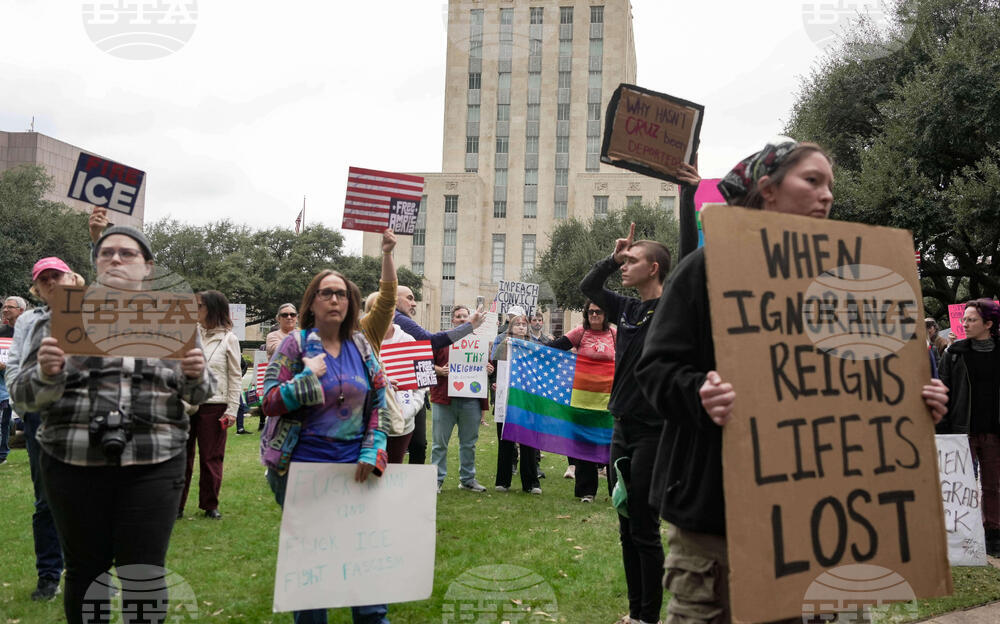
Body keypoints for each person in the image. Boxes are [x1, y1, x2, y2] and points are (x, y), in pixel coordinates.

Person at [636, 138, 949, 624]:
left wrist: (915, 399)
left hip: (828, 521)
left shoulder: (853, 284)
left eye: (831, 185)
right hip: (719, 518)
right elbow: (655, 371)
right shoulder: (706, 269)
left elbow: (866, 382)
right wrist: (699, 393)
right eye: (812, 181)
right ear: (768, 190)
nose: (827, 196)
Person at [10, 225, 215, 624]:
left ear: (148, 267)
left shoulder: (172, 319)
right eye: (107, 253)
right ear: (95, 264)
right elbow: (22, 396)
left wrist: (194, 374)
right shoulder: (56, 319)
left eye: (128, 253)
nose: (116, 259)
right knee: (86, 572)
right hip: (72, 463)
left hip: (154, 463)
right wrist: (47, 374)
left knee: (144, 573)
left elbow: (200, 393)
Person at [261, 228, 397, 624]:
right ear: (313, 302)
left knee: (363, 556)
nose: (334, 299)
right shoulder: (296, 345)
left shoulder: (361, 346)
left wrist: (374, 450)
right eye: (326, 293)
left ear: (350, 302)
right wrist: (304, 382)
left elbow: (378, 405)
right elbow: (266, 402)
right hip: (302, 470)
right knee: (312, 564)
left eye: (341, 293)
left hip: (356, 467)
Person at [580, 178, 687, 624]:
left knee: (643, 527)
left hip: (655, 430)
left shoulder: (671, 308)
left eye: (633, 261)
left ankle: (648, 617)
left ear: (656, 269)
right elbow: (590, 285)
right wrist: (613, 254)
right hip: (620, 425)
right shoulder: (626, 308)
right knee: (625, 524)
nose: (625, 267)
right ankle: (636, 613)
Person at [5, 258, 83, 601]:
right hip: (42, 417)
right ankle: (49, 576)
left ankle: (85, 572)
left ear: (70, 279)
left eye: (57, 275)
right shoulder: (27, 320)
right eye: (43, 279)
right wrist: (24, 407)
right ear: (36, 288)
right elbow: (15, 365)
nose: (51, 282)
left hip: (82, 415)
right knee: (46, 500)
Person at [394, 285, 485, 466]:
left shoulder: (403, 321)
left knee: (418, 444)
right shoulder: (397, 318)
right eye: (410, 298)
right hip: (406, 392)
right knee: (403, 443)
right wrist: (469, 326)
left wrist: (422, 391)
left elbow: (420, 355)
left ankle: (417, 487)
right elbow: (431, 342)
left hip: (417, 392)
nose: (414, 303)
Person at [938, 299, 1000, 556]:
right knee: (960, 487)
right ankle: (962, 536)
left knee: (993, 485)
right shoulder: (954, 353)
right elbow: (943, 392)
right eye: (964, 319)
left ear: (988, 324)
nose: (965, 324)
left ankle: (994, 534)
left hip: (994, 431)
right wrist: (942, 430)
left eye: (972, 319)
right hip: (961, 430)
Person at [178, 290, 241, 520]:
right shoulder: (187, 334)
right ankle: (176, 506)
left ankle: (209, 505)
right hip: (186, 404)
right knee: (181, 457)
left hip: (215, 405)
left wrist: (232, 409)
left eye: (200, 305)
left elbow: (235, 376)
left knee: (210, 458)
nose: (195, 310)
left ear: (212, 309)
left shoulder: (229, 339)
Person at [550, 300, 616, 502]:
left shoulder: (615, 335)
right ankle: (586, 491)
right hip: (582, 401)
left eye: (598, 312)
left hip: (608, 401)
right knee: (584, 445)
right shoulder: (580, 333)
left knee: (612, 446)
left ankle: (617, 492)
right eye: (590, 312)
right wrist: (523, 346)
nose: (594, 315)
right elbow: (554, 347)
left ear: (606, 314)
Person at [429, 304, 490, 493]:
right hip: (444, 399)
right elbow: (424, 364)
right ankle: (436, 481)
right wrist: (440, 370)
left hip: (470, 400)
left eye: (466, 316)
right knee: (440, 443)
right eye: (458, 316)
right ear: (453, 320)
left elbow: (482, 370)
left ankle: (467, 479)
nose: (462, 319)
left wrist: (488, 369)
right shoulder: (441, 340)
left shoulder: (478, 343)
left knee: (469, 443)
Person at [364, 291, 427, 464]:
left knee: (393, 466)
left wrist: (414, 406)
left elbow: (424, 378)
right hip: (369, 421)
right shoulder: (361, 341)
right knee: (371, 468)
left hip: (402, 422)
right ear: (369, 312)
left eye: (389, 308)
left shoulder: (409, 340)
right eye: (378, 309)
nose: (385, 313)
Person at [491, 314, 542, 494]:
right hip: (505, 399)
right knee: (505, 439)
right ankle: (503, 481)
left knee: (528, 440)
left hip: (527, 399)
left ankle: (531, 483)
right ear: (510, 328)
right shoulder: (503, 346)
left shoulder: (535, 347)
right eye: (517, 324)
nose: (521, 327)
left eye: (523, 324)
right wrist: (494, 382)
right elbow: (495, 371)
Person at [1, 295, 28, 464]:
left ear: (21, 311)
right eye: (4, 307)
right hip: (3, 386)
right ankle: (2, 454)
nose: (5, 310)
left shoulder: (30, 331)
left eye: (9, 307)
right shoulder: (1, 332)